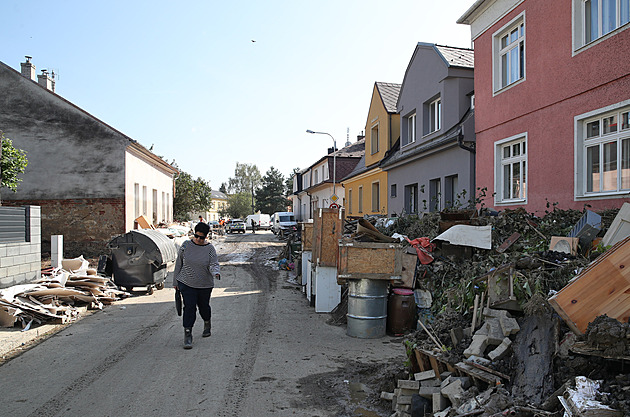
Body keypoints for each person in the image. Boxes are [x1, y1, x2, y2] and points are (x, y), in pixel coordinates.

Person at [172, 222, 220, 349]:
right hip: (186, 282)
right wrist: (175, 282)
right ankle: (188, 335)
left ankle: (207, 323)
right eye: (196, 236)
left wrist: (216, 272)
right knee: (189, 307)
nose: (198, 239)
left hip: (204, 284)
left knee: (203, 306)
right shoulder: (186, 245)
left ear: (206, 237)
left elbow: (213, 263)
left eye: (202, 237)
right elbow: (179, 264)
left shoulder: (209, 249)